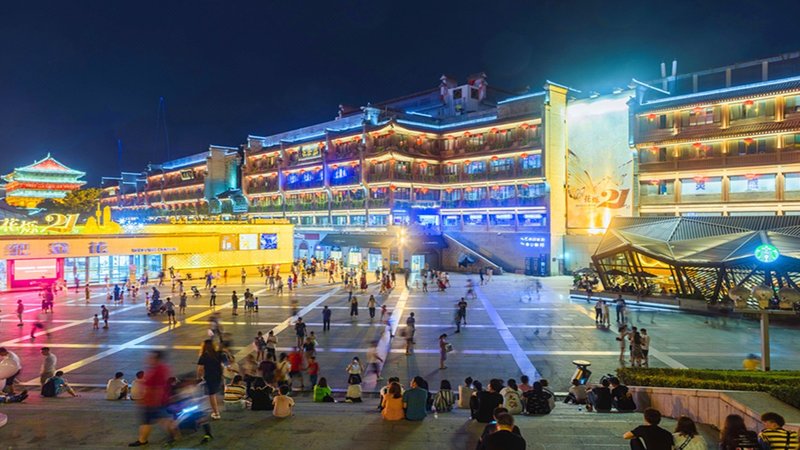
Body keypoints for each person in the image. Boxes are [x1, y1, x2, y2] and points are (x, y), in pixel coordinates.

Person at [128, 351, 178, 447]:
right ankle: (143, 440)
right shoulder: (162, 368)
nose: (148, 359)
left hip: (153, 401)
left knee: (160, 420)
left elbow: (156, 387)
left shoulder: (157, 370)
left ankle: (174, 435)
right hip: (155, 400)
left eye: (151, 357)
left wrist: (147, 400)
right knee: (149, 420)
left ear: (156, 359)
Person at [196, 339, 223, 420]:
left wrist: (199, 378)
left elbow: (200, 369)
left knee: (211, 394)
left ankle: (216, 412)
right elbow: (222, 365)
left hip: (209, 377)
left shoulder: (204, 356)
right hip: (218, 376)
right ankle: (216, 409)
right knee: (215, 392)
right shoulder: (217, 354)